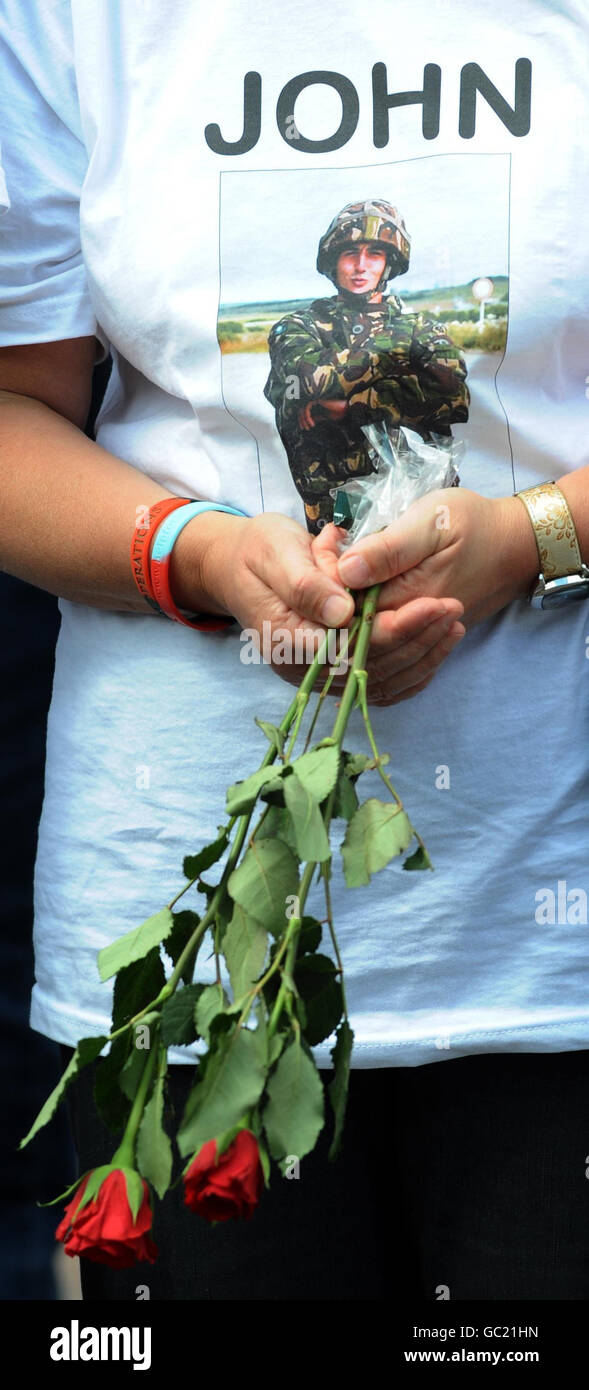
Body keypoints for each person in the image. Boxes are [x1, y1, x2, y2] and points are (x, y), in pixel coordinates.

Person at [1, 0, 589, 1302]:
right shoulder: (65, 20)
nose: (372, 272)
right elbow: (12, 414)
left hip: (555, 921)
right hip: (198, 945)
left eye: (386, 256)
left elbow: (437, 391)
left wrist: (530, 533)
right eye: (358, 257)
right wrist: (202, 554)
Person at [264, 200, 469, 532]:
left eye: (374, 253)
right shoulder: (298, 327)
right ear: (334, 262)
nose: (361, 266)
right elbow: (310, 380)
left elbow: (452, 401)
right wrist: (397, 353)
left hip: (423, 507)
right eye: (350, 254)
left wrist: (352, 406)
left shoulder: (423, 328)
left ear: (389, 264)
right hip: (331, 512)